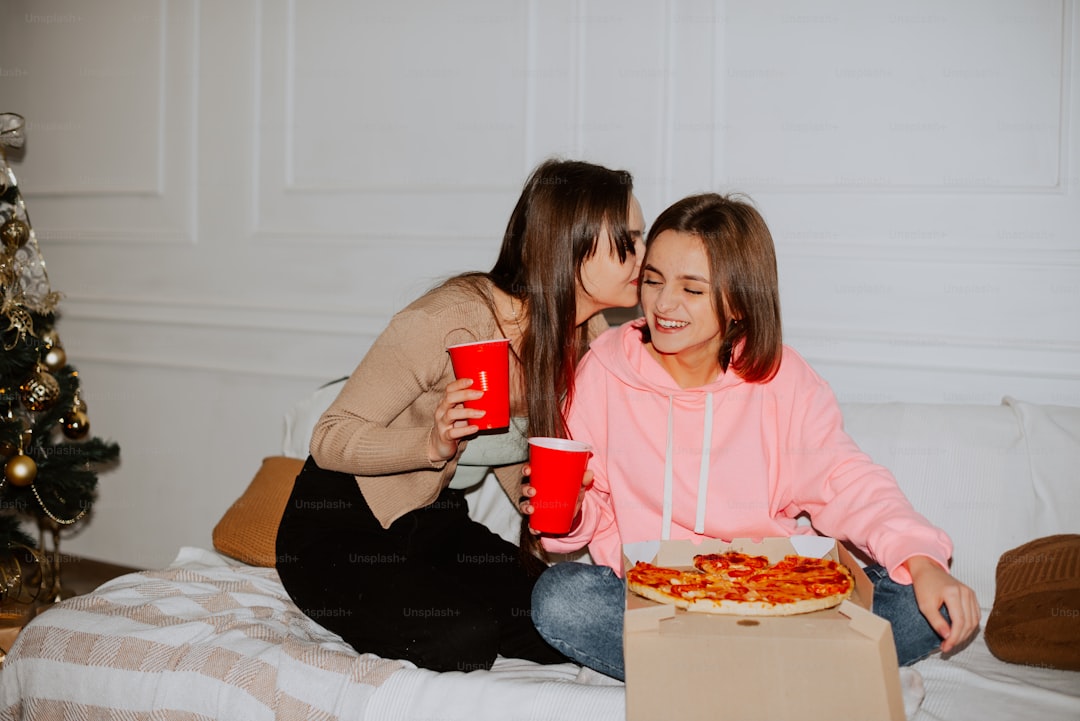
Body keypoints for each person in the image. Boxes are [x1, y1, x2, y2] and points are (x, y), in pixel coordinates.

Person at [524, 192, 980, 681]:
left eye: (692, 289)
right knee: (559, 598)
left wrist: (921, 557)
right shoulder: (603, 372)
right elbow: (591, 505)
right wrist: (570, 514)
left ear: (739, 299)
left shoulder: (783, 379)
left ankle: (714, 674)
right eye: (652, 280)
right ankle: (777, 674)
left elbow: (846, 481)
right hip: (654, 597)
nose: (663, 303)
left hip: (772, 592)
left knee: (922, 605)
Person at [275, 158, 646, 674]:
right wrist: (429, 444)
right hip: (339, 523)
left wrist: (544, 495)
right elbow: (328, 438)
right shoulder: (446, 320)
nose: (643, 258)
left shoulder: (585, 341)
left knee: (552, 625)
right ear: (571, 244)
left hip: (431, 521)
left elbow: (508, 446)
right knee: (464, 637)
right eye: (628, 241)